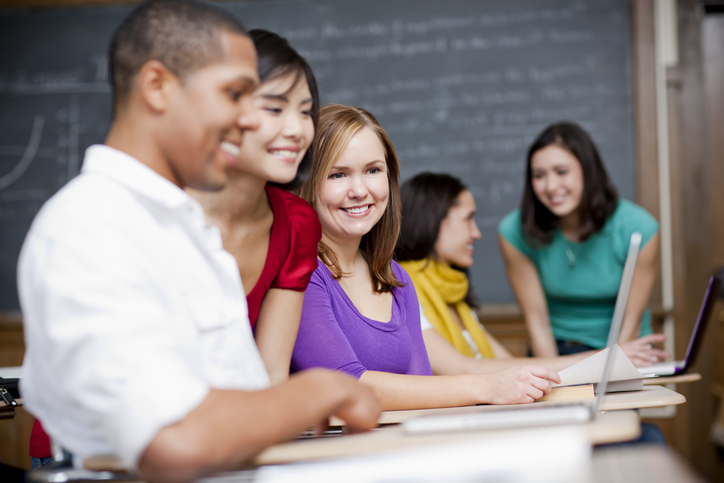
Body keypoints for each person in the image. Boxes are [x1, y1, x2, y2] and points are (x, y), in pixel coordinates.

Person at [18, 2, 379, 481]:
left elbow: (236, 394)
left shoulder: (186, 228)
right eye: (234, 95)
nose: (249, 122)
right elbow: (174, 443)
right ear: (157, 87)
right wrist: (316, 392)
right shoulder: (90, 226)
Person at [291, 104, 561, 411]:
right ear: (308, 184)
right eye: (338, 174)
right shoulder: (302, 271)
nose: (359, 190)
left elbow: (422, 385)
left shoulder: (396, 278)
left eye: (373, 171)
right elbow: (343, 385)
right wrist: (487, 386)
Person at [395, 172, 668, 375]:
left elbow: (503, 365)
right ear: (433, 220)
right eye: (468, 219)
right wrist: (605, 358)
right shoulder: (402, 288)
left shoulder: (452, 293)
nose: (477, 233)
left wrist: (606, 359)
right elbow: (464, 369)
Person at [189, 29, 320, 385]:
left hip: (227, 428)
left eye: (306, 112)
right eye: (275, 108)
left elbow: (271, 376)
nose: (296, 129)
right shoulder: (165, 213)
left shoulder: (296, 224)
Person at [498, 122, 661, 358]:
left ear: (588, 170)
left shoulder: (639, 228)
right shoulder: (515, 231)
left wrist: (611, 369)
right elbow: (537, 323)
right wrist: (554, 382)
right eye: (539, 176)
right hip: (556, 351)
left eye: (561, 172)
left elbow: (630, 325)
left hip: (624, 348)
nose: (551, 186)